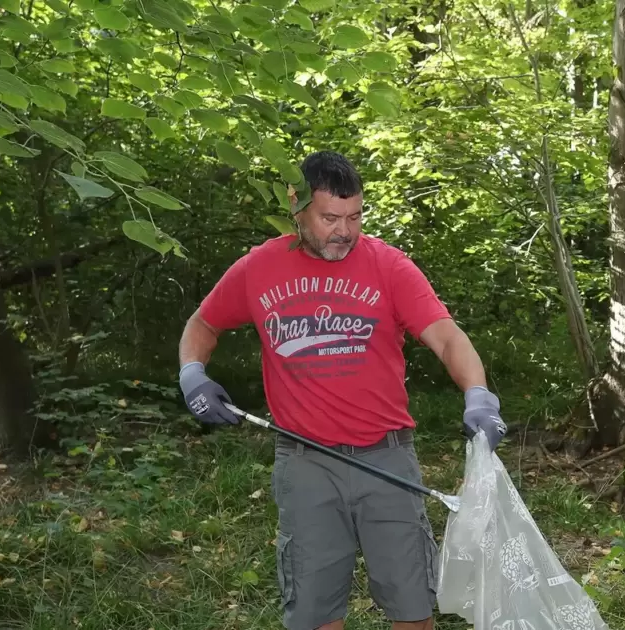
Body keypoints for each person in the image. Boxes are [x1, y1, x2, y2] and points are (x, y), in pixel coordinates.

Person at [175, 151, 508, 630]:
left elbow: (447, 336)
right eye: (330, 218)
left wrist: (479, 394)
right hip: (305, 463)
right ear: (297, 207)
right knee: (315, 613)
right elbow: (203, 324)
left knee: (412, 608)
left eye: (355, 217)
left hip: (387, 460)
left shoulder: (389, 266)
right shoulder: (259, 268)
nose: (344, 231)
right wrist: (192, 374)